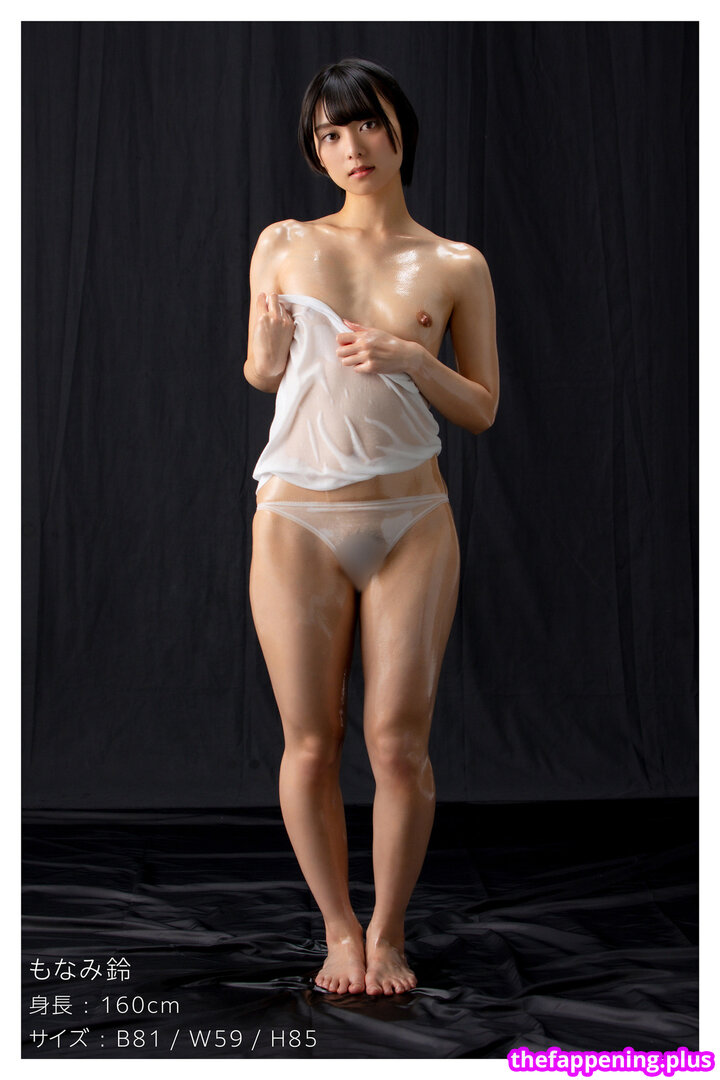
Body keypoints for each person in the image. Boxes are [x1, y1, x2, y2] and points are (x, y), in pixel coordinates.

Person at [243, 57, 499, 997]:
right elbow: (261, 374)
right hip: (296, 518)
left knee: (397, 743)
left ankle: (388, 932)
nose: (352, 146)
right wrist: (268, 346)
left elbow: (482, 408)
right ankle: (338, 929)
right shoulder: (283, 242)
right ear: (316, 152)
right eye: (330, 134)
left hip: (411, 518)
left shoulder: (456, 264)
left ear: (400, 130)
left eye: (367, 124)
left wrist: (412, 359)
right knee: (311, 738)